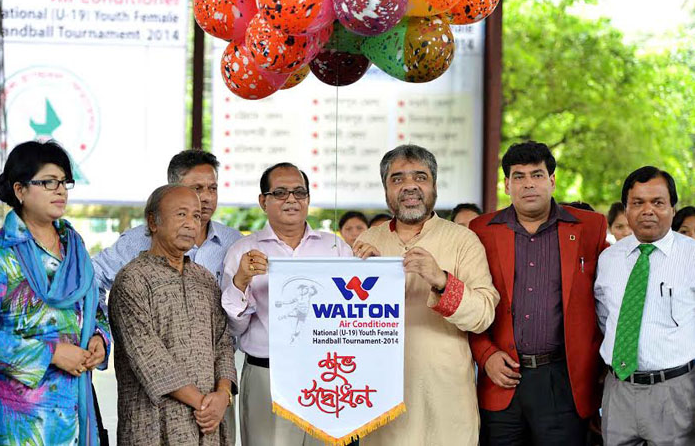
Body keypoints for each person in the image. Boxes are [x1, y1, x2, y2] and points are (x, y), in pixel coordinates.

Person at [352, 145, 499, 446]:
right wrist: (366, 283)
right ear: (385, 190)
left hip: (445, 399)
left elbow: (484, 315)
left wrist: (442, 280)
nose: (409, 186)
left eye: (420, 177)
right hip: (381, 396)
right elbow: (345, 317)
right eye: (397, 179)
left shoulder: (463, 240)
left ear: (434, 186)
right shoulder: (368, 241)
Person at [468, 141, 608, 445]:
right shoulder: (480, 230)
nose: (528, 184)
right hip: (500, 378)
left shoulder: (589, 227)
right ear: (506, 185)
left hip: (563, 380)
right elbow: (469, 301)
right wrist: (485, 355)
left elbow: (608, 297)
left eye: (537, 174)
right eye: (518, 176)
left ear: (552, 181)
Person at [221, 162, 351, 446]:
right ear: (263, 201)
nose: (291, 199)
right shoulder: (244, 251)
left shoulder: (336, 248)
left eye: (299, 192)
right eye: (280, 192)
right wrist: (241, 280)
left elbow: (353, 312)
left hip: (328, 376)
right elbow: (233, 326)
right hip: (268, 375)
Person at [0, 141, 111, 445]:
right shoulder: (0, 252)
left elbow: (94, 308)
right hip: (22, 417)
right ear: (19, 190)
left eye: (64, 182)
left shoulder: (75, 246)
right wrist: (53, 354)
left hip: (76, 406)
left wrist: (99, 338)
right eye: (48, 182)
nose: (60, 190)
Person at [109, 185, 237, 445]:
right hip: (153, 424)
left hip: (208, 425)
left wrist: (223, 395)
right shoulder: (132, 280)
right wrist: (204, 404)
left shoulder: (204, 279)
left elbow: (223, 343)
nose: (191, 224)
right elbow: (148, 357)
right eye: (181, 215)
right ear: (152, 222)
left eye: (196, 216)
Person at [594, 166, 695, 445]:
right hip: (619, 389)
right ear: (626, 210)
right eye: (638, 203)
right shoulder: (609, 259)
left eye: (658, 202)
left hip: (674, 392)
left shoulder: (691, 257)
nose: (647, 210)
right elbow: (605, 318)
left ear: (673, 209)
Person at [93, 149, 243, 293]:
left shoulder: (234, 242)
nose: (207, 197)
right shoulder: (138, 240)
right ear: (172, 190)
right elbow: (94, 277)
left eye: (212, 188)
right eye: (197, 188)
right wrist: (102, 318)